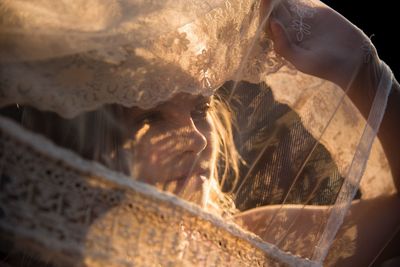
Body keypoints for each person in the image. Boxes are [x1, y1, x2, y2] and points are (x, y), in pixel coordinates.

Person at [0, 0, 399, 266]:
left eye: (201, 109)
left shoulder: (250, 243)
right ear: (78, 139)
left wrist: (364, 72)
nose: (197, 139)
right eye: (150, 118)